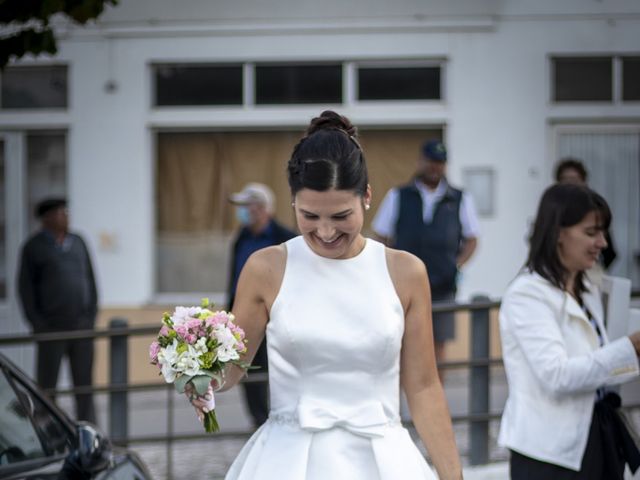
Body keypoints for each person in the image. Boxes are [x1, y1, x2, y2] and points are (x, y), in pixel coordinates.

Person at [190, 111, 462, 479]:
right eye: (310, 216)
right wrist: (197, 371)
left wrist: (453, 476)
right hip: (289, 460)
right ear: (292, 202)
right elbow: (235, 366)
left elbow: (425, 387)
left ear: (367, 196)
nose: (326, 231)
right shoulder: (266, 268)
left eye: (340, 215)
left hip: (381, 458)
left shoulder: (406, 272)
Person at [498, 183, 640, 479]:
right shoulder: (528, 294)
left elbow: (601, 367)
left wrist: (630, 353)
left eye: (603, 233)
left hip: (595, 438)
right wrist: (630, 347)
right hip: (548, 454)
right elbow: (557, 376)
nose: (602, 243)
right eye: (591, 232)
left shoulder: (585, 287)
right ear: (558, 233)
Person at [372, 139, 480, 373]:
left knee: (437, 349)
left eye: (440, 163)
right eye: (431, 161)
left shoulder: (460, 198)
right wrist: (390, 267)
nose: (435, 167)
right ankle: (399, 406)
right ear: (421, 161)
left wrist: (456, 265)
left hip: (441, 286)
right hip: (403, 286)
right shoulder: (398, 196)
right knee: (400, 344)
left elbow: (472, 239)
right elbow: (381, 235)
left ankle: (433, 405)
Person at [18, 198, 98, 423]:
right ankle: (49, 431)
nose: (66, 216)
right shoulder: (33, 247)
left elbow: (91, 281)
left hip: (81, 326)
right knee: (47, 386)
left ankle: (89, 429)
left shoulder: (78, 241)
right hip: (51, 328)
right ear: (48, 218)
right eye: (61, 213)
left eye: (66, 211)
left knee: (84, 385)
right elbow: (25, 289)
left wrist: (90, 316)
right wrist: (38, 324)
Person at [227, 182, 296, 428]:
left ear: (262, 208)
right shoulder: (241, 238)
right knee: (247, 369)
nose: (243, 212)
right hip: (244, 315)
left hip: (277, 317)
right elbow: (234, 278)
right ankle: (258, 421)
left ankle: (282, 419)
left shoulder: (285, 238)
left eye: (247, 206)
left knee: (278, 372)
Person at [554, 157, 617, 269]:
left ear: (583, 182)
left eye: (574, 179)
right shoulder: (552, 211)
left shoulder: (593, 210)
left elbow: (609, 253)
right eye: (564, 179)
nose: (569, 183)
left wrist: (594, 267)